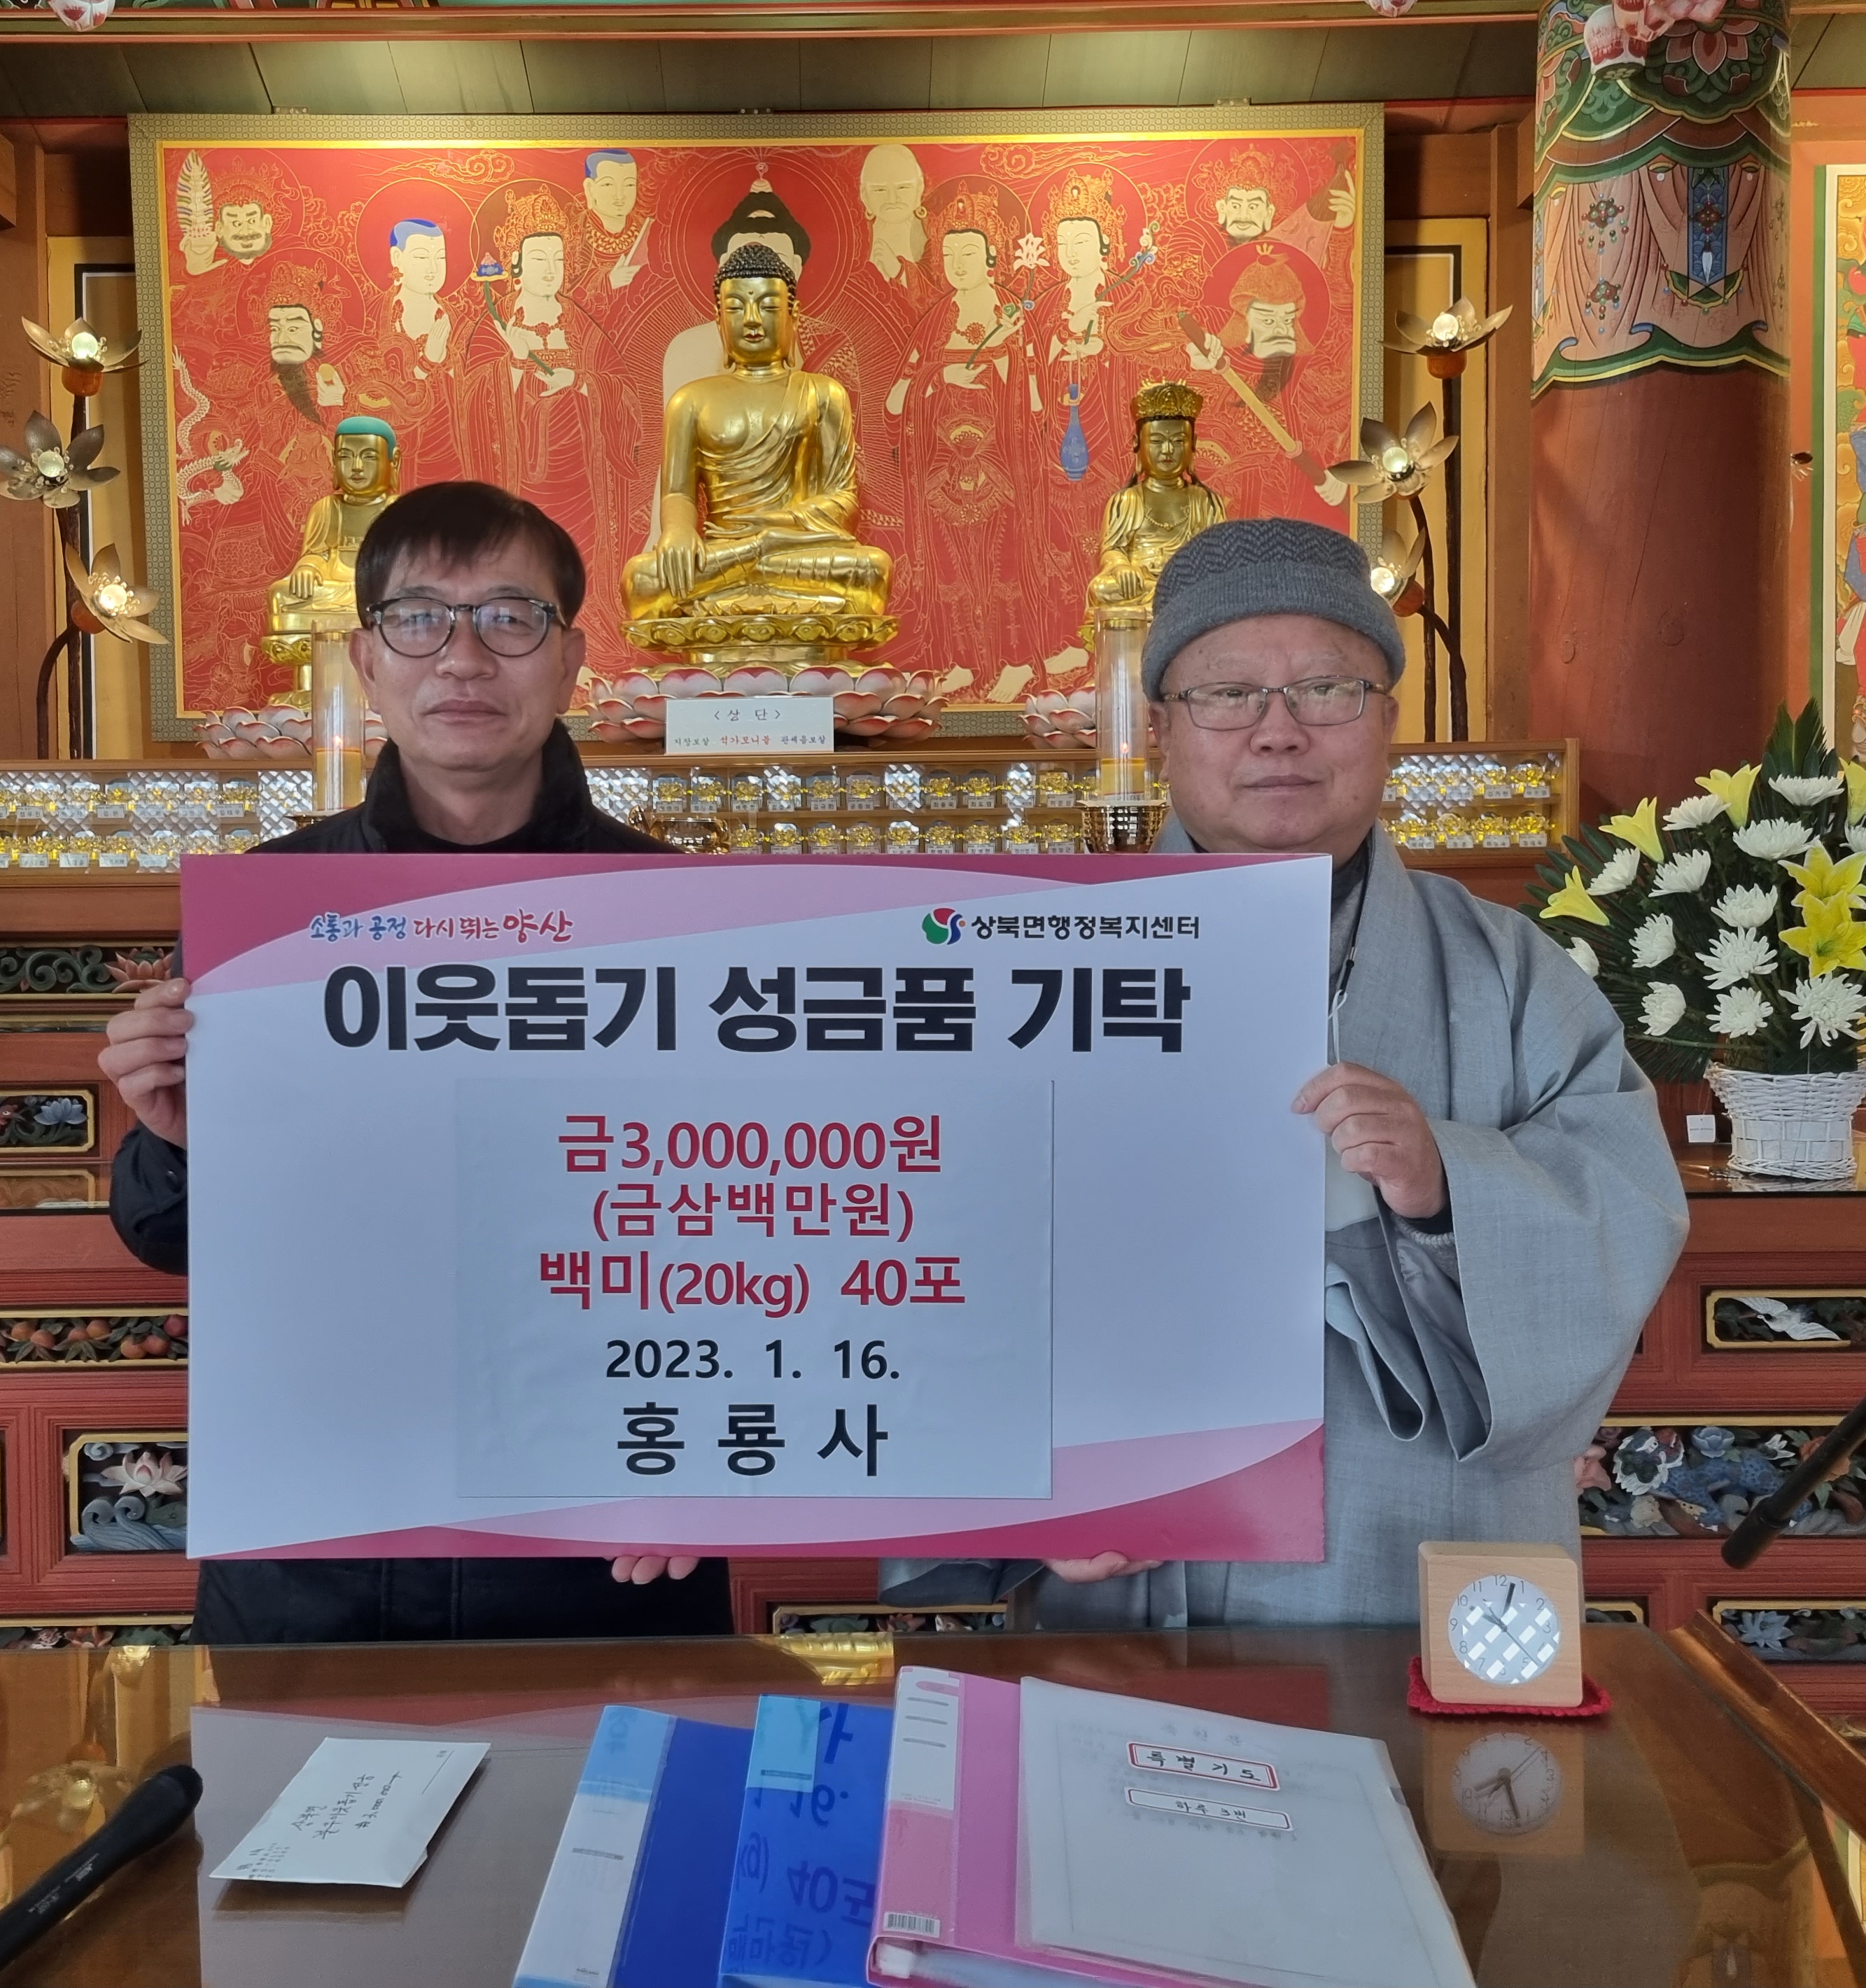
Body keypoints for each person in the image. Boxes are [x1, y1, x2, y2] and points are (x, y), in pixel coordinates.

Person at [891, 518, 1688, 1626]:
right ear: (1161, 731)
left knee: (1415, 1741)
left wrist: (1447, 1184)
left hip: (1412, 1566)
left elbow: (1623, 1216)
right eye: (1229, 695)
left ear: (1388, 720)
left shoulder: (1509, 975)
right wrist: (1025, 1501)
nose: (1279, 731)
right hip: (1119, 1574)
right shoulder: (1026, 966)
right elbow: (913, 1246)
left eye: (1327, 690)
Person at [99, 479, 731, 1644]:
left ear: (571, 658)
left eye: (510, 618)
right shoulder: (271, 914)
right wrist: (179, 1140)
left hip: (603, 1526)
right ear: (365, 660)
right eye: (421, 619)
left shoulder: (687, 919)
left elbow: (759, 1220)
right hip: (322, 1534)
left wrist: (727, 1454)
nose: (464, 658)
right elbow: (162, 1235)